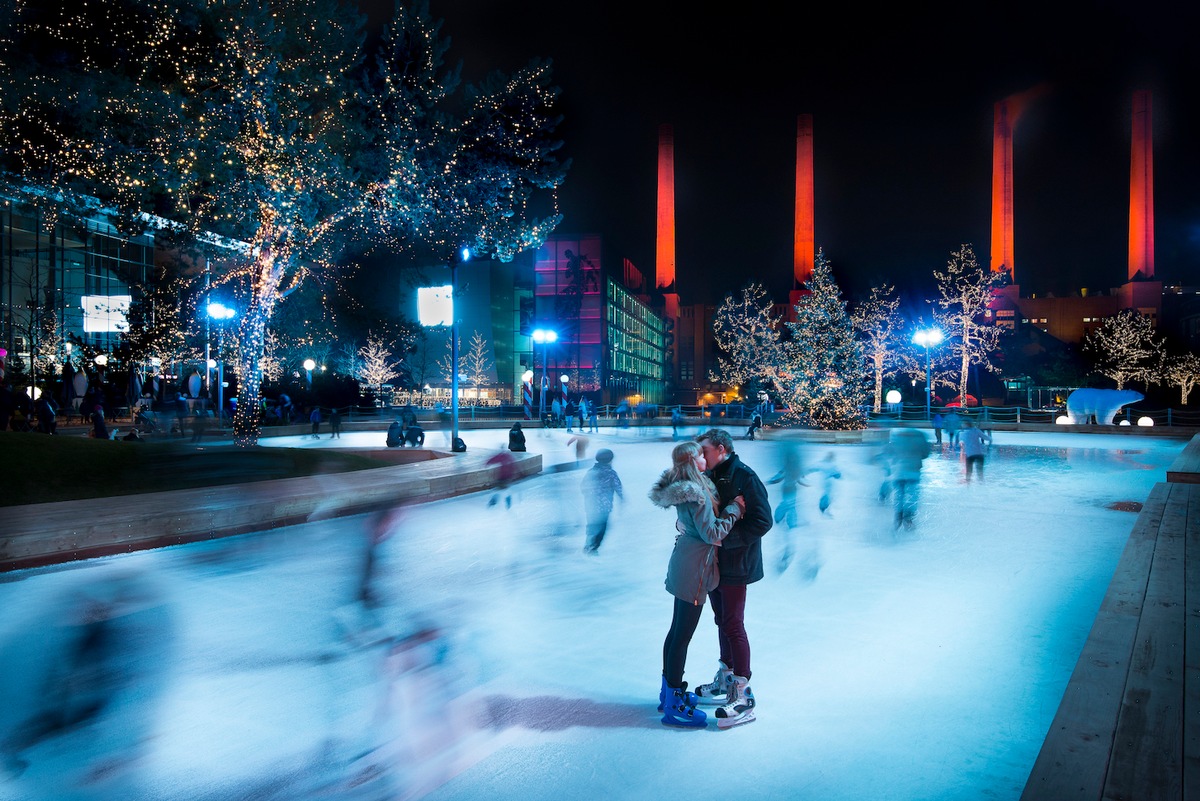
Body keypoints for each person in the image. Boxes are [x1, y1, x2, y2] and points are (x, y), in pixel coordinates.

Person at [648, 441, 745, 728]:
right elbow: (712, 534)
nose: (706, 457)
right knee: (682, 635)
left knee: (676, 631)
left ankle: (669, 693)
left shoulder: (687, 486)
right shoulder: (698, 494)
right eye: (701, 455)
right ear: (692, 460)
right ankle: (674, 703)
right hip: (695, 569)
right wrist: (734, 511)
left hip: (685, 562)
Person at [692, 428, 772, 729]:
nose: (702, 456)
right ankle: (726, 677)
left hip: (737, 563)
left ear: (722, 449)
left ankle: (742, 690)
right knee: (721, 620)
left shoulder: (744, 476)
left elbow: (763, 520)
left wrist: (727, 541)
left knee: (733, 624)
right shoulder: (710, 476)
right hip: (716, 563)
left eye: (706, 451)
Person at [767, 445, 810, 573]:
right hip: (789, 492)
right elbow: (799, 479)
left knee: (788, 507)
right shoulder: (794, 468)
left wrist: (770, 481)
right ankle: (787, 521)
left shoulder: (790, 467)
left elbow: (778, 477)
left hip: (788, 491)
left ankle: (785, 520)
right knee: (789, 507)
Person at [884, 428, 932, 529]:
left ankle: (898, 514)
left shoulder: (897, 436)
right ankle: (908, 517)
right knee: (912, 494)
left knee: (899, 494)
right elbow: (926, 453)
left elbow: (889, 451)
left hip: (899, 471)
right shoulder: (920, 435)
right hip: (913, 470)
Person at [580, 449, 624, 554]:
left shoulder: (591, 472)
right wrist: (622, 498)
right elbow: (618, 487)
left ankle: (588, 545)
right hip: (604, 507)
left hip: (590, 505)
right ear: (610, 460)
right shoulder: (611, 473)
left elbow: (583, 486)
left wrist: (588, 496)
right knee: (602, 528)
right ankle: (593, 547)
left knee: (591, 525)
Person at [805, 451, 842, 517]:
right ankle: (823, 510)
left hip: (826, 483)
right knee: (827, 496)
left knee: (828, 496)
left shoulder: (823, 463)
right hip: (827, 483)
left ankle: (824, 509)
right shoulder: (831, 465)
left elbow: (812, 468)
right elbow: (838, 475)